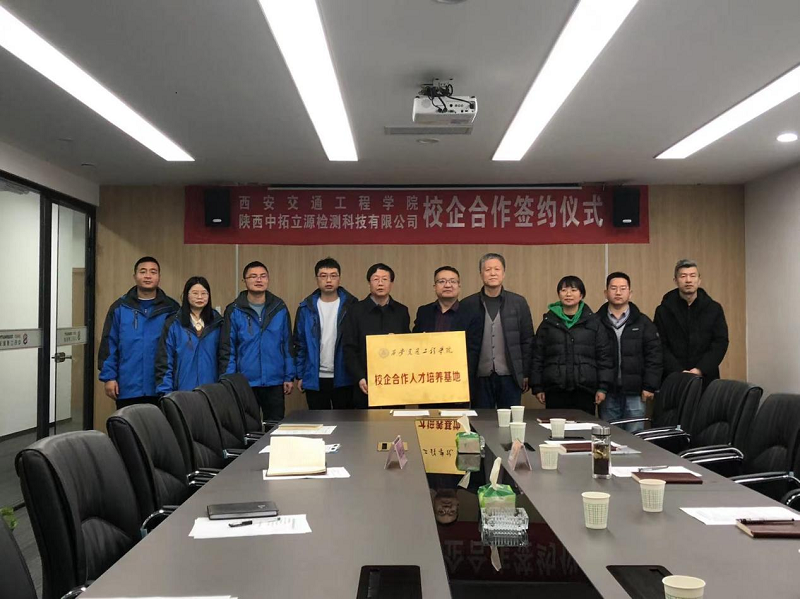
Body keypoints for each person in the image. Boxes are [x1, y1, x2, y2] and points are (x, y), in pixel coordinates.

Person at [98, 256, 179, 409]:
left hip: (162, 387)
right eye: (143, 271)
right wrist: (109, 377)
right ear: (135, 276)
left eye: (153, 272)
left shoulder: (172, 308)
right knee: (128, 424)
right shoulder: (120, 307)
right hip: (128, 387)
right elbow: (109, 344)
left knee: (160, 425)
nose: (148, 276)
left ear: (159, 277)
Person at [219, 261, 295, 422]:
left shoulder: (279, 308)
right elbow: (228, 349)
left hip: (274, 381)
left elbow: (287, 344)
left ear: (268, 279)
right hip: (245, 383)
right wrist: (230, 381)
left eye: (263, 276)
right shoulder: (234, 310)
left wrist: (289, 376)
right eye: (253, 276)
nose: (258, 280)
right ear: (244, 281)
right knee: (248, 428)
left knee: (274, 428)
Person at [531, 275, 614, 415]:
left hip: (585, 390)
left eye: (574, 290)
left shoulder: (594, 323)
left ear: (581, 295)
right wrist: (537, 387)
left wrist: (602, 387)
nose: (568, 294)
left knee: (583, 427)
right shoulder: (548, 323)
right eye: (564, 290)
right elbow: (537, 356)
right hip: (555, 389)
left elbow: (604, 356)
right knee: (556, 427)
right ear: (559, 294)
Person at [461, 253, 534, 409]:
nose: (492, 273)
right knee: (481, 420)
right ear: (481, 274)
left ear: (504, 273)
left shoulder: (518, 302)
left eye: (497, 269)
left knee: (510, 420)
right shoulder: (467, 304)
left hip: (510, 376)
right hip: (478, 376)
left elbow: (527, 340)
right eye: (487, 270)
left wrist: (525, 373)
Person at [595, 272, 662, 431]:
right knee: (609, 436)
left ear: (630, 293)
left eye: (623, 288)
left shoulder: (643, 322)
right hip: (608, 392)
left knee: (635, 436)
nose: (618, 292)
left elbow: (654, 355)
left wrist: (650, 386)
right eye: (613, 288)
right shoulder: (596, 321)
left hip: (636, 392)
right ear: (606, 293)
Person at [342, 263, 410, 408]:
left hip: (394, 382)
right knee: (365, 421)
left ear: (391, 283)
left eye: (385, 279)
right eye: (376, 279)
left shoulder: (401, 311)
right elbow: (349, 348)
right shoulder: (355, 311)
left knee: (394, 420)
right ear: (369, 283)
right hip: (365, 382)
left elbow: (407, 346)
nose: (380, 283)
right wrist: (359, 377)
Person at [293, 258, 357, 410]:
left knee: (345, 421)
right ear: (316, 279)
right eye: (323, 275)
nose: (328, 280)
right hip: (315, 376)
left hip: (345, 377)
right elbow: (299, 343)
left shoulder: (352, 306)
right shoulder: (306, 308)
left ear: (339, 278)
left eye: (333, 275)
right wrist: (300, 375)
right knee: (318, 421)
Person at [413, 266, 482, 404]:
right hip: (428, 382)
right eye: (442, 281)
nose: (448, 285)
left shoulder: (472, 313)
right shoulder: (424, 312)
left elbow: (474, 351)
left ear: (459, 286)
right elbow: (414, 343)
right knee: (429, 417)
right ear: (434, 287)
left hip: (458, 382)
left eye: (452, 281)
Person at [654, 259, 729, 389]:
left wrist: (700, 369)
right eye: (683, 276)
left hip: (706, 377)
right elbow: (659, 345)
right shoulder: (663, 310)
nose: (688, 280)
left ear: (699, 280)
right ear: (675, 281)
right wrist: (679, 371)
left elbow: (720, 342)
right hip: (672, 378)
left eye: (692, 276)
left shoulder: (713, 308)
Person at [155, 276, 223, 394]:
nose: (200, 297)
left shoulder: (218, 323)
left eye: (204, 293)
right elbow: (164, 361)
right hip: (182, 391)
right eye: (195, 293)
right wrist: (166, 394)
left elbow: (225, 359)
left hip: (212, 391)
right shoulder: (174, 323)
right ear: (186, 295)